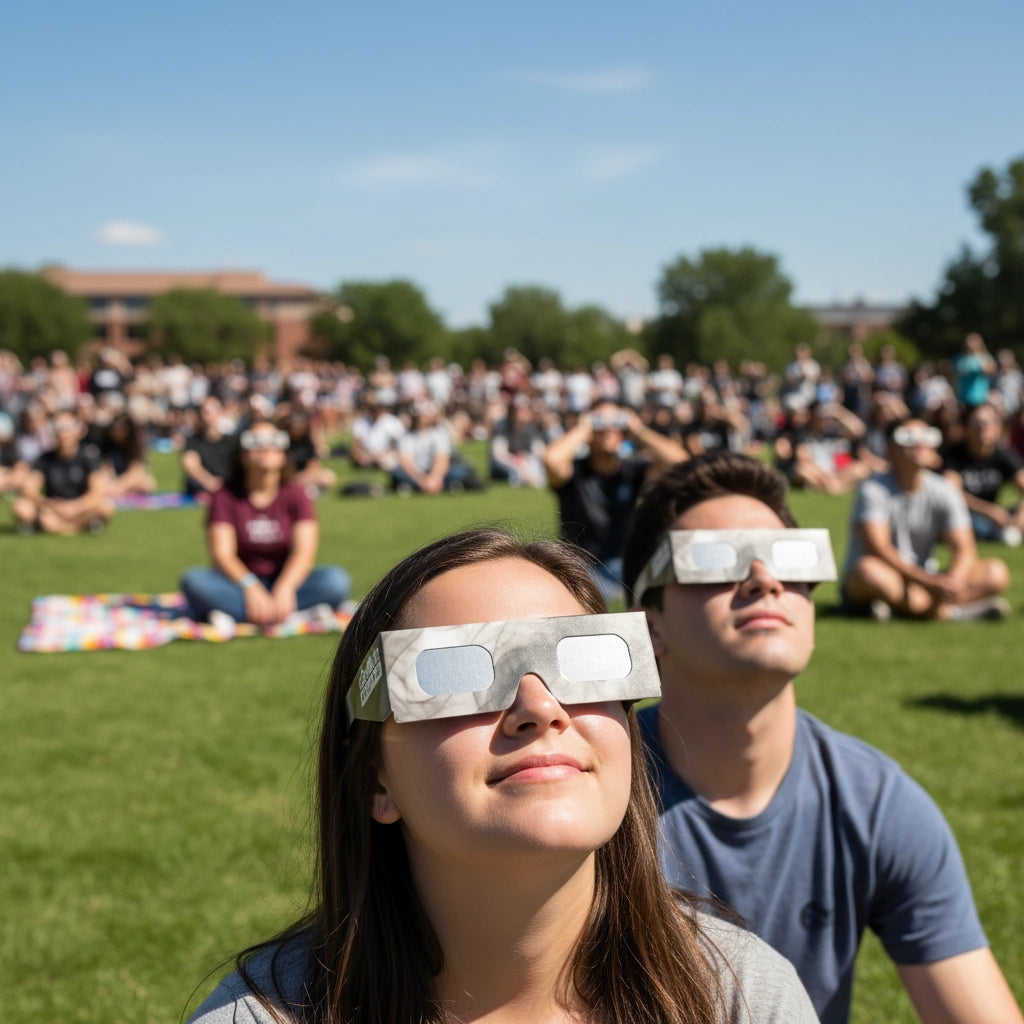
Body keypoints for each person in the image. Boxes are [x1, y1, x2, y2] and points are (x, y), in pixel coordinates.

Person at [187, 527, 817, 1024]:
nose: (540, 707)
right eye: (455, 674)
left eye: (585, 663)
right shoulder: (259, 1016)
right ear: (375, 780)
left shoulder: (741, 995)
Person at [621, 451, 1024, 1024]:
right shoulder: (591, 800)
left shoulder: (875, 803)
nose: (764, 579)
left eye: (789, 558)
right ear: (649, 624)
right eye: (713, 560)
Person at [180, 420, 350, 634]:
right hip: (239, 585)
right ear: (242, 454)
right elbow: (222, 555)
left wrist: (285, 587)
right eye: (255, 441)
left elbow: (304, 552)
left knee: (335, 581)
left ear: (283, 454)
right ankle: (290, 614)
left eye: (275, 441)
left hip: (288, 581)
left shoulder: (297, 495)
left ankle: (244, 615)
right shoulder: (224, 496)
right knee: (194, 581)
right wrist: (251, 586)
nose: (265, 447)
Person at [840, 417, 1011, 621]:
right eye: (908, 438)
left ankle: (902, 609)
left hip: (924, 581)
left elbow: (964, 547)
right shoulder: (873, 490)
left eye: (926, 437)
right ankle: (949, 613)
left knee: (996, 572)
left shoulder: (945, 490)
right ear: (890, 450)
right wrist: (928, 582)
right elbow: (879, 549)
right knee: (867, 572)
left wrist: (952, 581)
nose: (919, 444)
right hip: (890, 575)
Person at [543, 398, 687, 603]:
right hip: (579, 565)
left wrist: (639, 431)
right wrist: (582, 430)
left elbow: (680, 462)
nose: (608, 428)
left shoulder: (632, 470)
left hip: (622, 563)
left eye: (616, 422)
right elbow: (551, 460)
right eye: (600, 422)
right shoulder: (574, 472)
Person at [11, 409, 114, 535]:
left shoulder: (89, 456)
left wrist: (75, 507)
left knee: (105, 507)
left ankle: (62, 527)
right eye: (59, 428)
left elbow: (97, 491)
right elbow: (29, 489)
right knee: (21, 508)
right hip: (52, 507)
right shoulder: (45, 458)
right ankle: (76, 526)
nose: (63, 433)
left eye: (67, 428)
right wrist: (49, 504)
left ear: (78, 431)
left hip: (79, 506)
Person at [942, 402, 1024, 546]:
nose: (983, 427)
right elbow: (952, 494)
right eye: (976, 422)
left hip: (994, 516)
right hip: (964, 514)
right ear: (966, 427)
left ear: (998, 428)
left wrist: (1020, 515)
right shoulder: (952, 456)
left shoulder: (1004, 455)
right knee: (977, 526)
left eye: (990, 421)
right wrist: (989, 510)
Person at [390, 400, 483, 495]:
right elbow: (406, 462)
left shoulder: (440, 433)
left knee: (459, 470)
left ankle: (415, 487)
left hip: (439, 473)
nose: (423, 416)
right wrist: (421, 480)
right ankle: (448, 486)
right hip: (417, 473)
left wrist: (435, 479)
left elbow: (442, 460)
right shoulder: (406, 436)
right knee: (397, 472)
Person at [181, 396, 235, 499]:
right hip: (202, 488)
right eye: (204, 411)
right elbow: (190, 463)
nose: (208, 415)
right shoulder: (193, 441)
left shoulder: (231, 441)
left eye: (213, 410)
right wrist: (210, 482)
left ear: (220, 412)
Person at [98, 411, 157, 498]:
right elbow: (105, 469)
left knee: (147, 484)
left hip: (127, 481)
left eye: (121, 429)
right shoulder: (105, 444)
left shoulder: (136, 445)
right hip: (111, 480)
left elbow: (136, 471)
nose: (116, 432)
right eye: (114, 429)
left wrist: (120, 486)